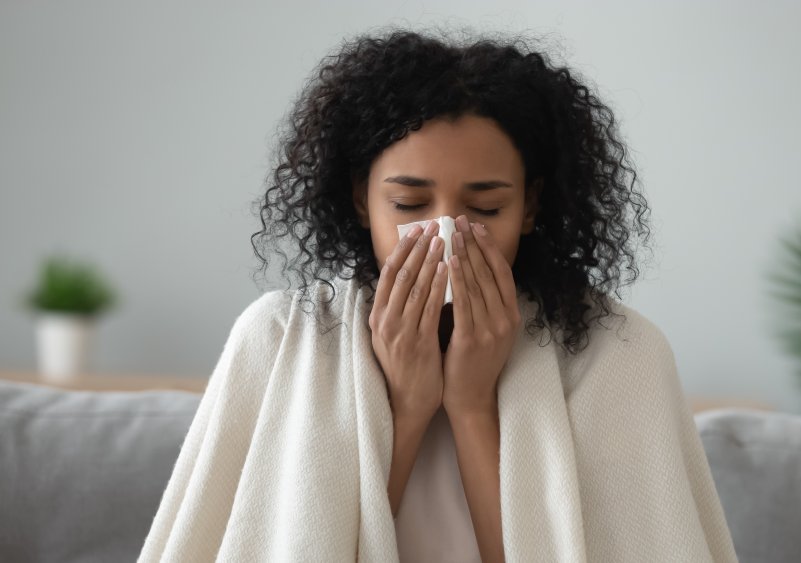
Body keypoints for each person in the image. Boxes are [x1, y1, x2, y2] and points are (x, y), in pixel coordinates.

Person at [139, 26, 737, 563]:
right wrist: (406, 406)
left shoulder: (619, 353)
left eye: (486, 208)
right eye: (409, 204)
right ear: (361, 199)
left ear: (529, 206)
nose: (446, 236)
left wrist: (472, 406)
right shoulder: (280, 339)